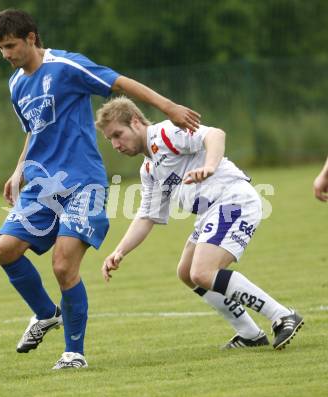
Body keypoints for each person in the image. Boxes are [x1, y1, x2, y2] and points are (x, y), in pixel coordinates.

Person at [0, 9, 201, 369]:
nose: (6, 55)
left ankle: (74, 354)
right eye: (0, 49)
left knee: (62, 265)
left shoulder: (67, 67)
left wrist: (168, 107)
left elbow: (119, 82)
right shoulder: (15, 85)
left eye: (11, 46)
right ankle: (45, 314)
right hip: (42, 184)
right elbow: (35, 129)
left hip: (82, 182)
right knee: (4, 249)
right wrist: (18, 169)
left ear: (31, 38)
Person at [96, 96, 304, 350]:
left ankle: (281, 315)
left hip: (232, 200)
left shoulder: (163, 133)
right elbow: (147, 215)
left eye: (118, 134)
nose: (116, 144)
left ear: (136, 122)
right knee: (187, 273)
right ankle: (250, 334)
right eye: (110, 140)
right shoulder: (149, 169)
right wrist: (119, 251)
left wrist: (210, 165)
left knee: (202, 272)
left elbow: (215, 134)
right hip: (213, 211)